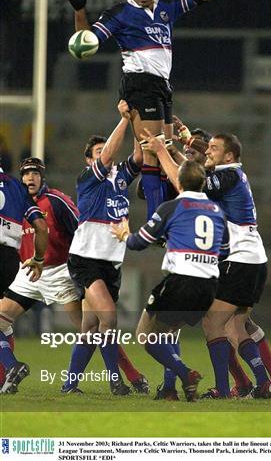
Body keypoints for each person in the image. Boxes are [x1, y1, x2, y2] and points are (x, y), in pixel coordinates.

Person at [64, 0, 215, 219]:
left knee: (165, 149)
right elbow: (87, 41)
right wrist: (79, 10)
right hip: (139, 84)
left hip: (162, 86)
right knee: (153, 152)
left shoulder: (167, 4)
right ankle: (155, 221)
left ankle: (161, 204)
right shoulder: (120, 13)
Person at [140, 129, 271, 399]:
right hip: (251, 259)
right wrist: (173, 150)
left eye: (214, 148)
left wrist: (161, 151)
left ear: (229, 155)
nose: (207, 151)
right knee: (235, 326)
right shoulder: (230, 175)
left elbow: (188, 188)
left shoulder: (229, 175)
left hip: (239, 260)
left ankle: (223, 389)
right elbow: (196, 177)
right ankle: (262, 384)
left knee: (212, 323)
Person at [112, 160, 226, 402]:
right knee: (168, 333)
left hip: (182, 280)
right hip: (208, 285)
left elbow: (138, 242)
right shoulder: (217, 211)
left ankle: (186, 374)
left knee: (145, 335)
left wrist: (123, 234)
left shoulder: (172, 207)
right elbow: (224, 248)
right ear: (203, 182)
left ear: (179, 182)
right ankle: (171, 388)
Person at [64, 100, 148, 396]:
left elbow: (138, 155)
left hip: (111, 262)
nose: (104, 154)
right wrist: (124, 119)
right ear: (89, 160)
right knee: (110, 318)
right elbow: (113, 151)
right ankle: (116, 380)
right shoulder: (88, 179)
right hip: (85, 259)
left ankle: (69, 384)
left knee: (90, 327)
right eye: (97, 153)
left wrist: (137, 120)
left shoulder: (120, 178)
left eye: (104, 150)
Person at [0, 162, 48, 393]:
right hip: (10, 258)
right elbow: (41, 225)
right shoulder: (18, 188)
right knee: (1, 320)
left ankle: (11, 365)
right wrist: (38, 258)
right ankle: (6, 374)